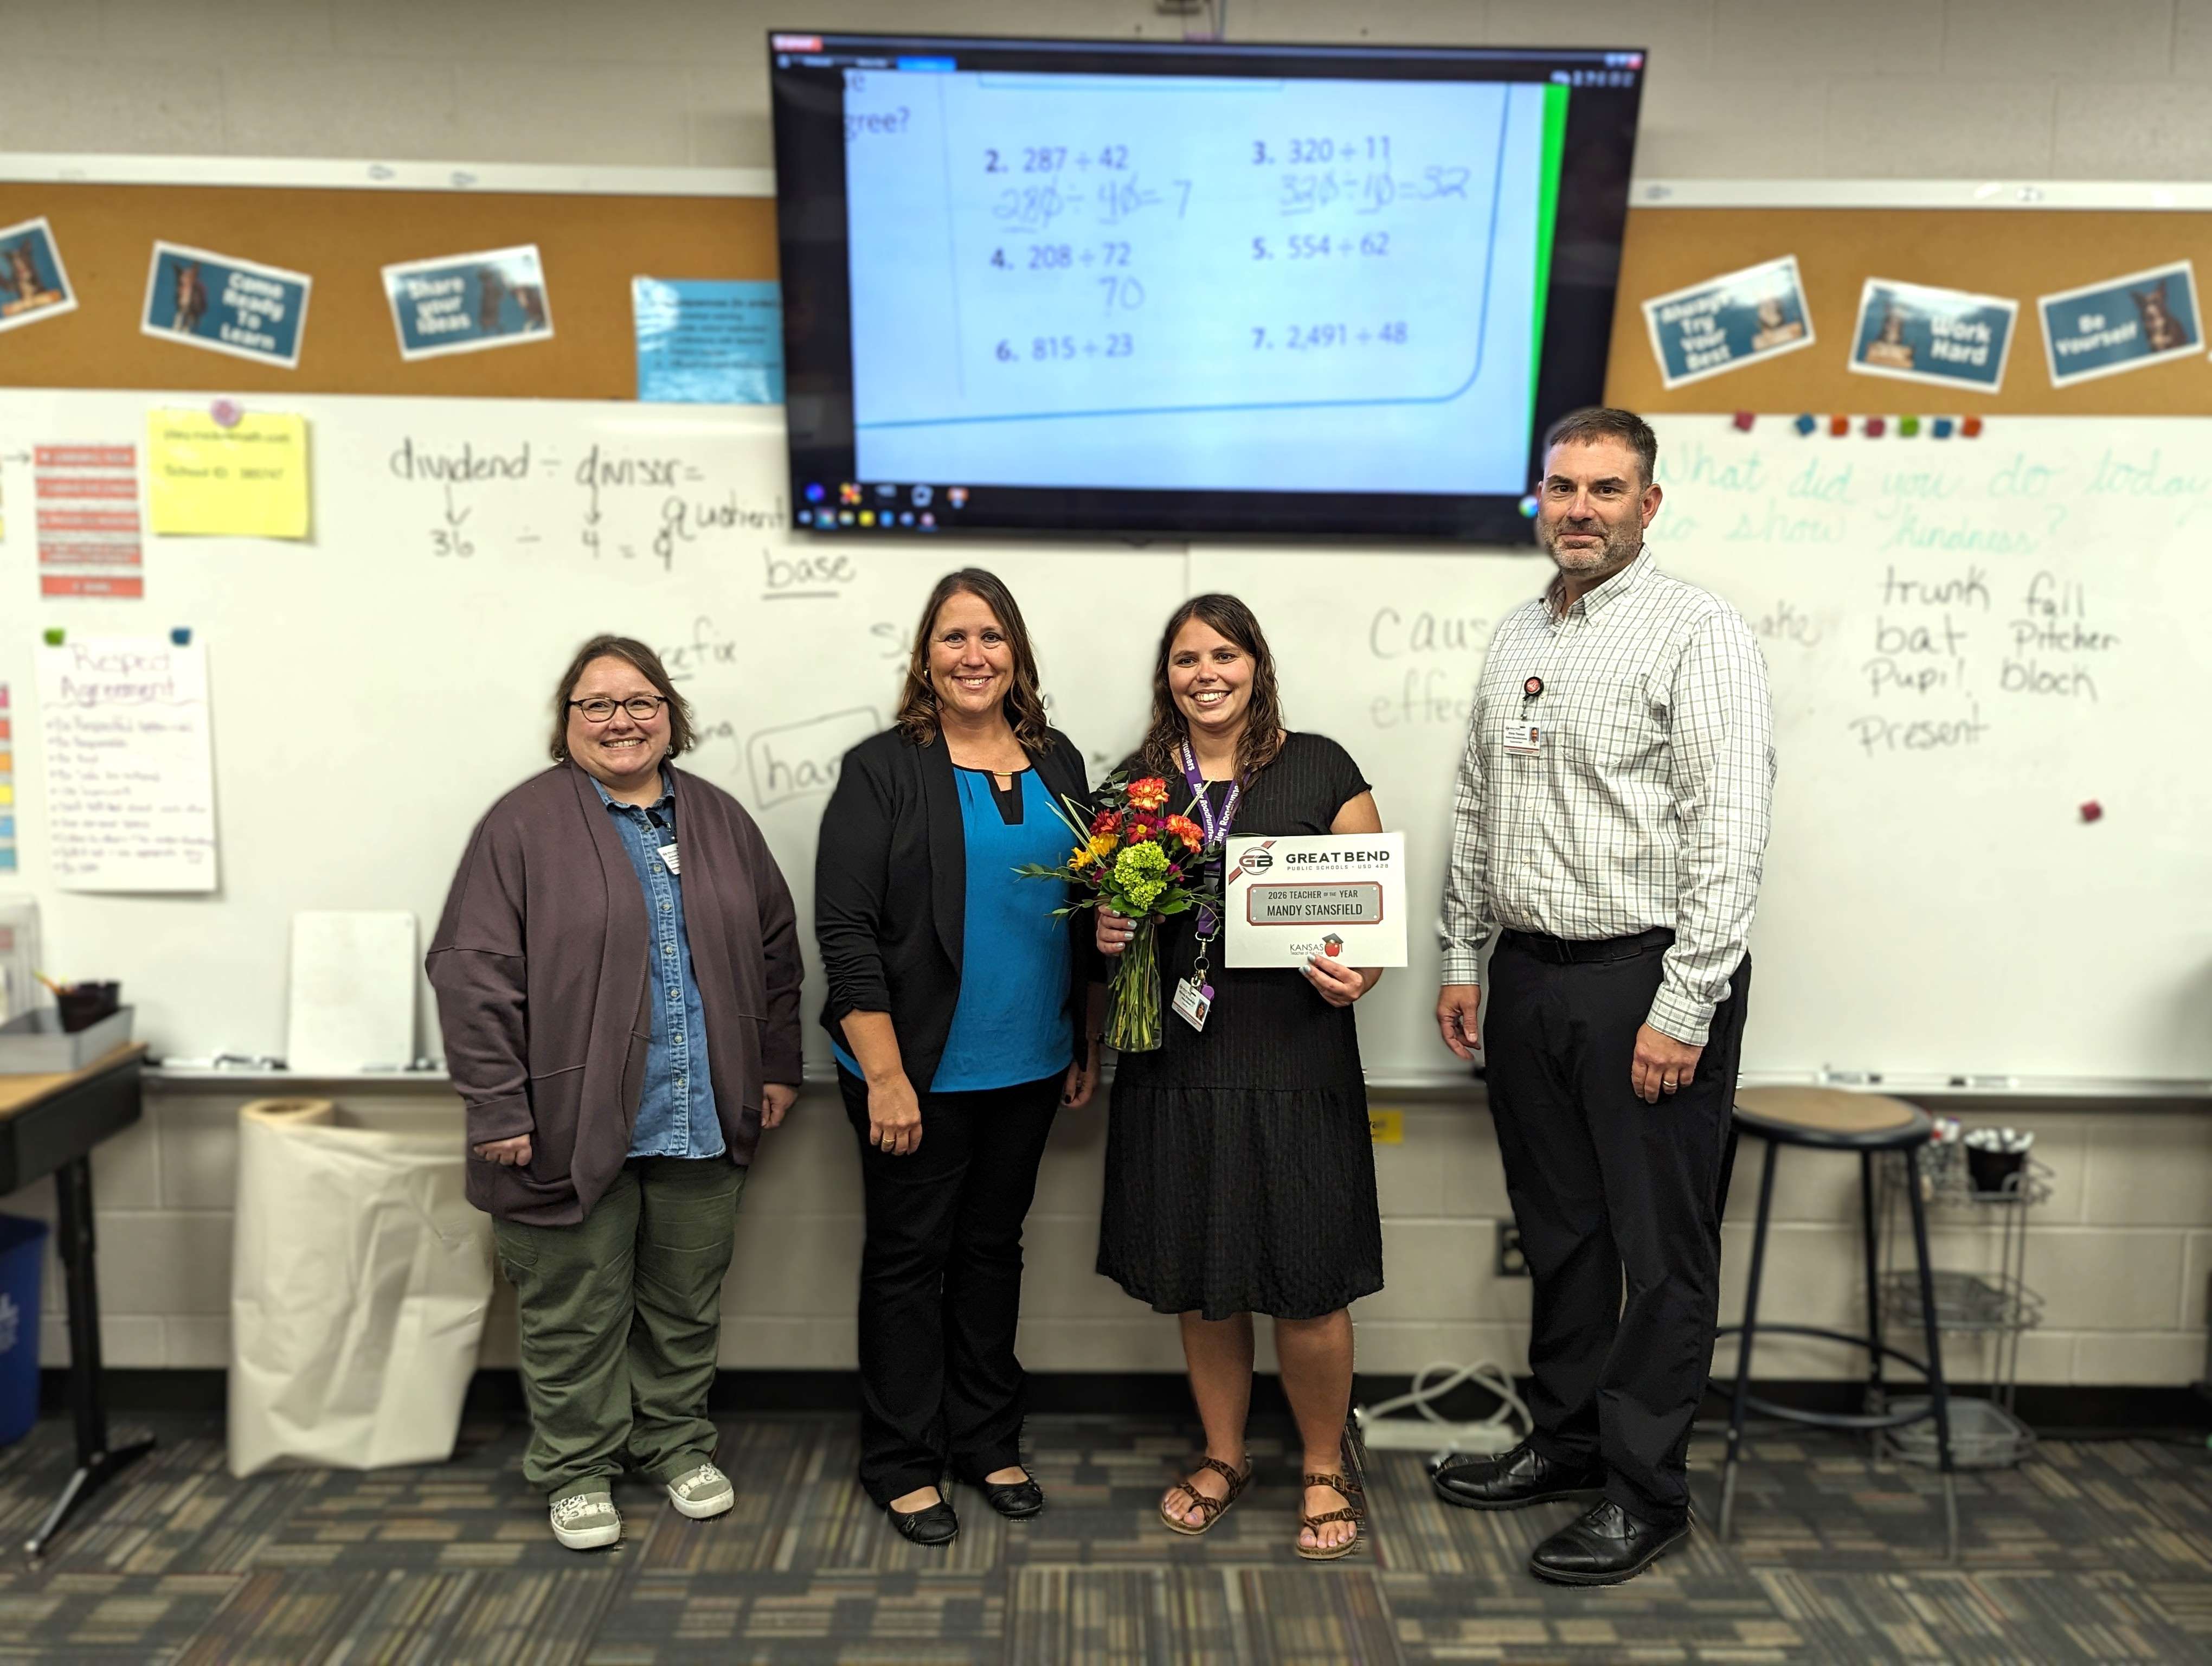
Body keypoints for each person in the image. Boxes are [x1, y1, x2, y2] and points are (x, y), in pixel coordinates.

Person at [1431, 407, 1775, 1585]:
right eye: (1562, 487)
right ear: (1539, 497)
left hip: (1647, 977)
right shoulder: (1520, 629)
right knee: (1563, 1237)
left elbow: (1728, 836)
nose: (1579, 508)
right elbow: (1478, 804)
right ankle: (1571, 1444)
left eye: (1606, 490)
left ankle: (1646, 1494)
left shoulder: (1700, 634)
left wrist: (1685, 1007)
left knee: (1658, 1254)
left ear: (1648, 503)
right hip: (1531, 977)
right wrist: (1463, 956)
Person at [428, 635, 803, 1552]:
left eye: (640, 702)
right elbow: (471, 974)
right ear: (566, 726)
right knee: (571, 1310)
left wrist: (775, 1067)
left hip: (701, 1112)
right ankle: (576, 1467)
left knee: (684, 1301)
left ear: (671, 718)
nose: (620, 720)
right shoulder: (519, 827)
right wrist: (498, 1109)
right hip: (562, 1123)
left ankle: (674, 1443)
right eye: (596, 705)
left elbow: (776, 955)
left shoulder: (720, 821)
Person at [814, 569, 1105, 1546]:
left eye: (990, 637)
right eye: (953, 639)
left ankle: (985, 1440)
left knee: (991, 1255)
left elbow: (1081, 911)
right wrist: (887, 1076)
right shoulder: (883, 769)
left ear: (1015, 653)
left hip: (1029, 1064)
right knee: (908, 1262)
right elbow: (846, 932)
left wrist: (1085, 1032)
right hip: (915, 1074)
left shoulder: (1060, 762)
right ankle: (902, 1459)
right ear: (925, 658)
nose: (973, 655)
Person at [1095, 594, 1385, 1561]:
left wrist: (1362, 971)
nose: (1205, 674)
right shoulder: (1134, 787)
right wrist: (1107, 934)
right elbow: (1103, 935)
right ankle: (1225, 1454)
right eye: (1185, 659)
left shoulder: (1322, 766)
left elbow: (1368, 914)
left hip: (1297, 1057)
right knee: (1203, 1279)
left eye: (1224, 654)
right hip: (1178, 1064)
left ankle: (1320, 1465)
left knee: (1307, 1279)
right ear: (1165, 676)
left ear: (1256, 664)